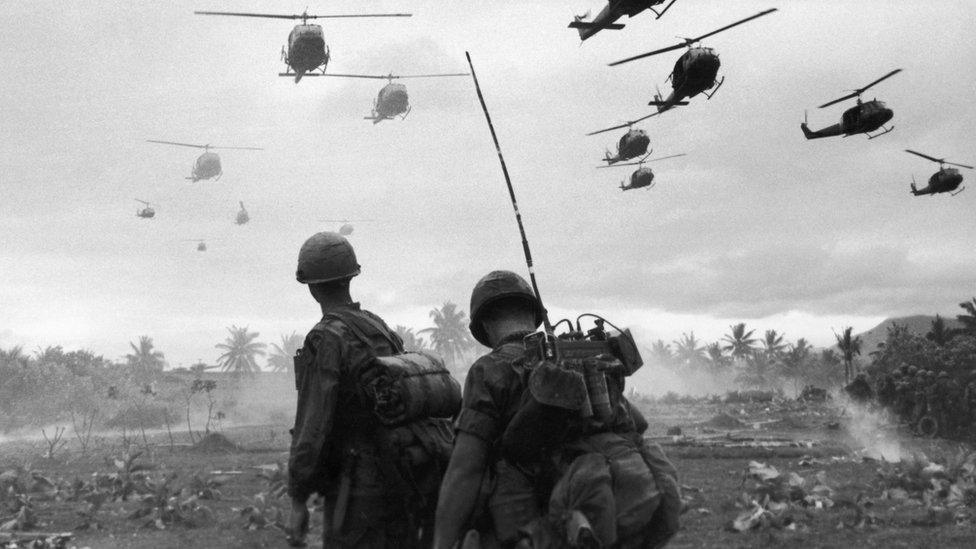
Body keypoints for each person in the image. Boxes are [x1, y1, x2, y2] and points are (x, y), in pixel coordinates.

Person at [433, 270, 678, 549]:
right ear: (532, 314)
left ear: (486, 325)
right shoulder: (582, 357)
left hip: (536, 526)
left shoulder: (488, 370)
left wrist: (441, 543)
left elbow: (465, 469)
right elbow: (638, 425)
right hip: (609, 510)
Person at [287, 231, 451, 548]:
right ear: (351, 277)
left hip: (356, 488)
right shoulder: (378, 326)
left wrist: (298, 499)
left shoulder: (325, 337)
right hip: (401, 475)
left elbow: (313, 424)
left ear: (311, 287)